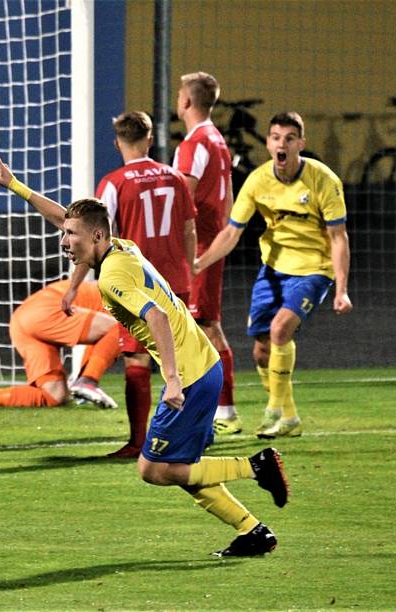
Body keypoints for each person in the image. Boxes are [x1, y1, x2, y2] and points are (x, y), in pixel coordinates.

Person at [0, 146, 290, 557]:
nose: (63, 241)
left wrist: (173, 382)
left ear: (95, 236)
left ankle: (256, 465)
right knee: (183, 469)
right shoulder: (121, 246)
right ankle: (253, 531)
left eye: (70, 236)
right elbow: (68, 217)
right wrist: (15, 186)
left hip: (190, 376)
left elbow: (158, 319)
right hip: (204, 363)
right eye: (65, 234)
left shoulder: (111, 278)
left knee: (154, 469)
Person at [194, 112, 353, 438]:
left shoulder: (324, 180)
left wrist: (342, 289)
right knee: (262, 350)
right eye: (276, 137)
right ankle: (290, 417)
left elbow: (339, 237)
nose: (282, 144)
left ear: (301, 144)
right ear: (268, 143)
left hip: (313, 271)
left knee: (281, 330)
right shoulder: (257, 181)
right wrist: (199, 263)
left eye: (289, 138)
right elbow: (231, 234)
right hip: (273, 270)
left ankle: (273, 411)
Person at [65, 111, 196, 459]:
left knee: (137, 362)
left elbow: (92, 240)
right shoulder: (176, 178)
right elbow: (188, 231)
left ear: (117, 142)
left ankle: (139, 441)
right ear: (150, 139)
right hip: (176, 281)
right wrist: (190, 272)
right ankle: (196, 432)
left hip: (138, 284)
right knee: (184, 363)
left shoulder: (114, 183)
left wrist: (73, 286)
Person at [173, 72, 241, 435]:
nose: (178, 98)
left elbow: (180, 199)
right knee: (196, 324)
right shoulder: (218, 142)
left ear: (186, 101)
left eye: (180, 93)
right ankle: (208, 406)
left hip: (196, 246)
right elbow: (228, 200)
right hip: (211, 242)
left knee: (205, 325)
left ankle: (224, 410)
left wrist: (186, 252)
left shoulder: (195, 144)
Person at [0, 279, 120, 409]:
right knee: (122, 329)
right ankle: (87, 382)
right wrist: (87, 377)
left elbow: (99, 340)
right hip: (48, 312)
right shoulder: (121, 297)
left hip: (22, 320)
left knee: (54, 396)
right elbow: (112, 335)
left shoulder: (108, 285)